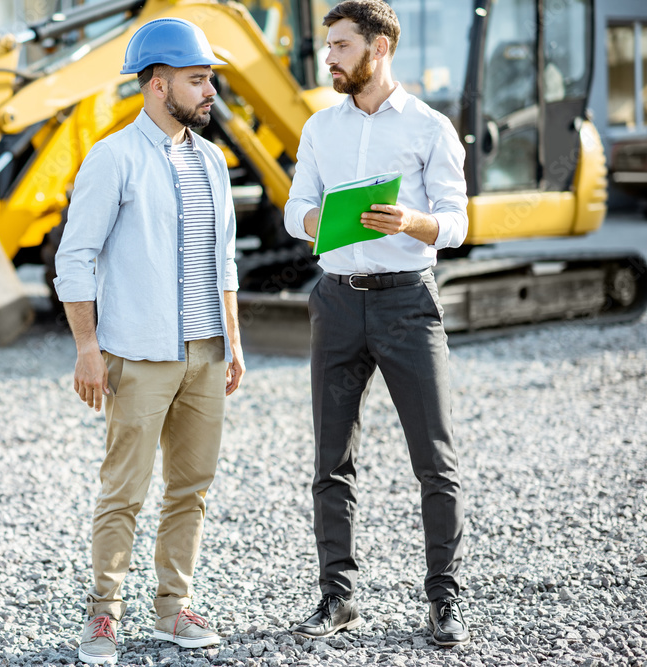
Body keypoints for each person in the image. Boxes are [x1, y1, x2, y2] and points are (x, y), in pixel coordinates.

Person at [53, 17, 245, 665]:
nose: (209, 89)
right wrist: (87, 347)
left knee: (191, 485)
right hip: (138, 354)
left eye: (210, 78)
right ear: (158, 85)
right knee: (124, 490)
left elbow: (225, 262)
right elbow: (74, 259)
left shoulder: (213, 160)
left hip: (206, 352)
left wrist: (234, 341)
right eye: (198, 79)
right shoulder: (113, 158)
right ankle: (103, 615)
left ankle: (173, 607)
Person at [283, 0, 470, 647]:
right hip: (335, 301)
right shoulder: (319, 128)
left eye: (339, 45)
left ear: (378, 47)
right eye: (329, 45)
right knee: (330, 460)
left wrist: (410, 222)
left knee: (435, 459)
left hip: (405, 304)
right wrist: (321, 222)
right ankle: (337, 598)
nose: (329, 56)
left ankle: (444, 601)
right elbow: (295, 207)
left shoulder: (429, 127)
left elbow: (457, 220)